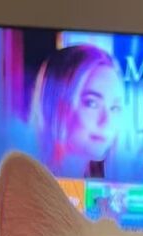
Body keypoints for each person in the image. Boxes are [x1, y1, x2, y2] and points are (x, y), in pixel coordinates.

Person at [29, 44, 124, 179]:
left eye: (115, 108)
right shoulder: (24, 180)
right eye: (92, 103)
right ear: (57, 104)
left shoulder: (109, 188)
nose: (106, 121)